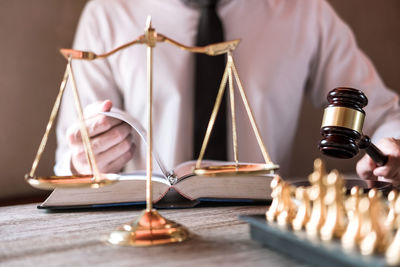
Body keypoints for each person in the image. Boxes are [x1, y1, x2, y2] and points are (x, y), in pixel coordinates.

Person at [55, 0, 400, 184]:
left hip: (262, 225)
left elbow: (383, 114)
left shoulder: (305, 10)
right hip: (145, 229)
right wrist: (83, 160)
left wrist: (391, 146)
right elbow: (68, 161)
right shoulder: (106, 14)